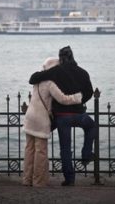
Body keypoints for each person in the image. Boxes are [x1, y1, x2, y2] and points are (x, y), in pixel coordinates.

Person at [29, 46, 96, 186]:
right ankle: (86, 153)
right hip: (79, 114)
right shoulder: (83, 73)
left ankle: (69, 179)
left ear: (60, 59)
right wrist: (80, 101)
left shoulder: (56, 71)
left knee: (65, 148)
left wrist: (42, 70)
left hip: (62, 116)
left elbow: (33, 79)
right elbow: (89, 92)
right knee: (91, 126)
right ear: (73, 56)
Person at [23, 57, 82, 187]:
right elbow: (63, 99)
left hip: (29, 117)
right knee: (41, 152)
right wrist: (77, 98)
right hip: (40, 120)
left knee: (29, 149)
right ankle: (38, 181)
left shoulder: (37, 81)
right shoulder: (50, 84)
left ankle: (27, 179)